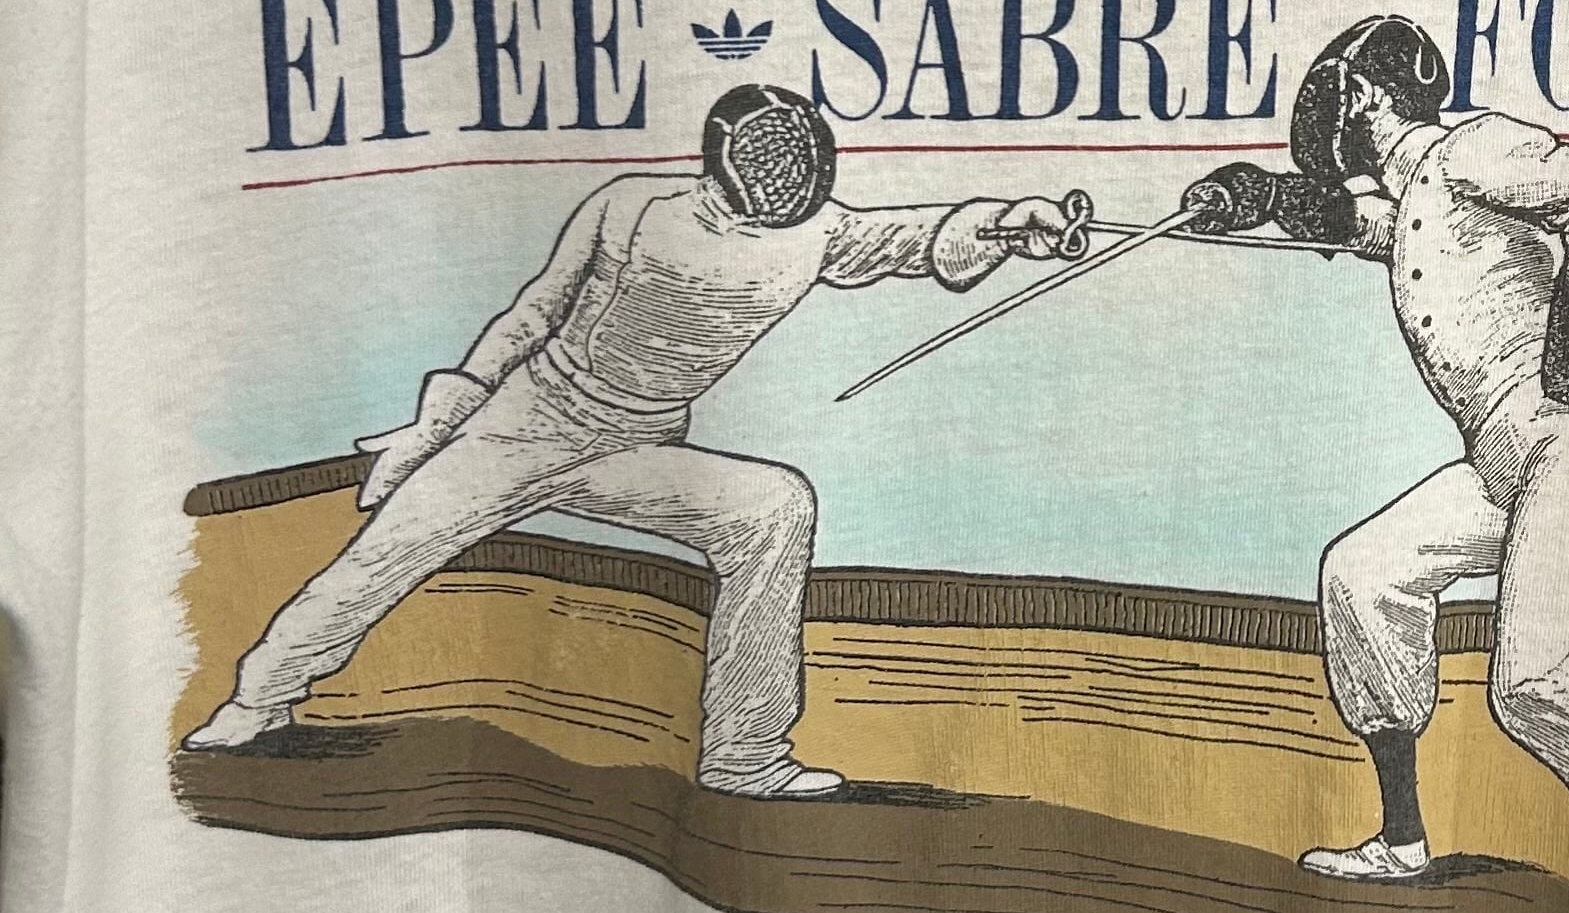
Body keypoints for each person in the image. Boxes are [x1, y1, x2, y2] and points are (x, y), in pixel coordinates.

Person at [185, 85, 1090, 797]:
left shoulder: (816, 235)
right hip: (527, 423)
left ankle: (745, 754)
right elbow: (532, 313)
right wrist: (443, 422)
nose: (784, 184)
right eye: (768, 164)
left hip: (638, 448)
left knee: (773, 507)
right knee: (386, 554)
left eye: (796, 166)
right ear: (723, 163)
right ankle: (256, 703)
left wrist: (1019, 222)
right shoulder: (631, 206)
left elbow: (918, 236)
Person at [1188, 15, 1569, 913]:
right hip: (1508, 465)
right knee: (1365, 574)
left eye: (1334, 100)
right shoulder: (1422, 201)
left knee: (1540, 680)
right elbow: (1363, 226)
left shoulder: (1472, 150)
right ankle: (1402, 839)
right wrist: (1253, 197)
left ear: (1361, 97)